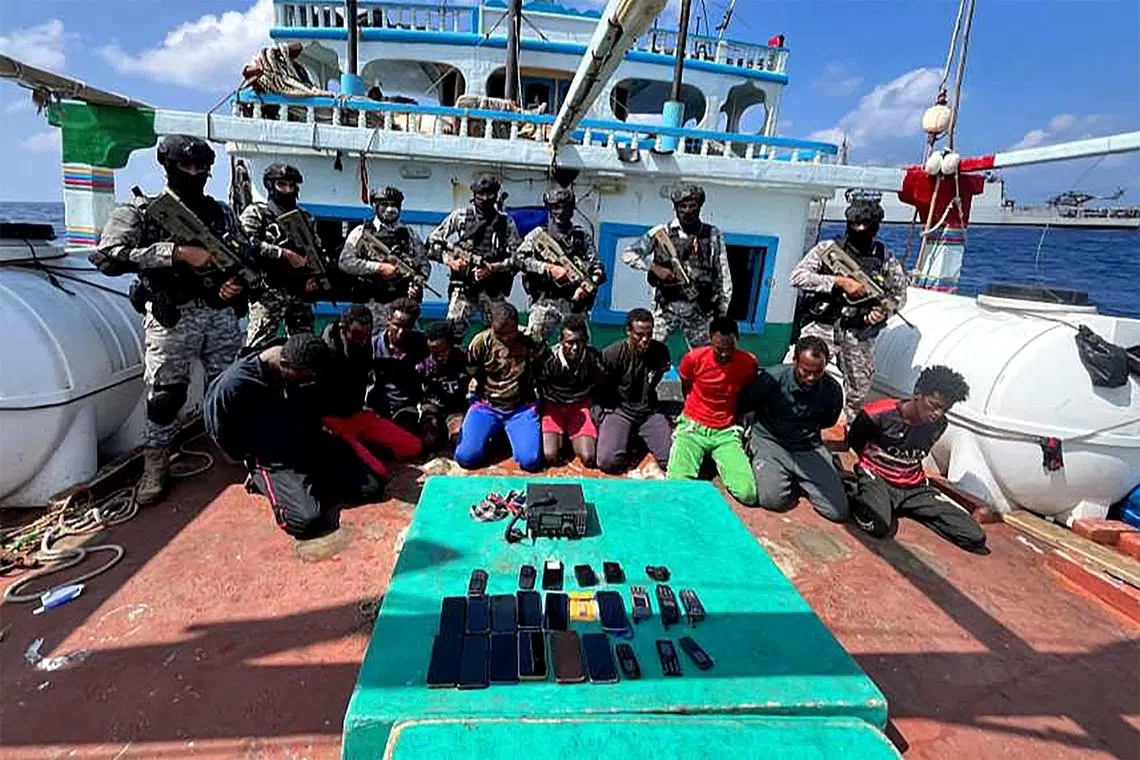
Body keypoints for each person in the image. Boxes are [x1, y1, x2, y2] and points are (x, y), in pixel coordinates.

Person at [93, 134, 250, 506]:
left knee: (227, 386)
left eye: (202, 168)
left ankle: (232, 447)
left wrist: (233, 285)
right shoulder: (142, 210)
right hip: (173, 316)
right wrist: (175, 254)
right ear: (168, 166)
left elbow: (243, 254)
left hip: (219, 313)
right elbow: (107, 257)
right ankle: (156, 463)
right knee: (166, 395)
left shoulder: (221, 213)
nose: (195, 173)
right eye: (187, 166)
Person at [204, 334, 383, 539]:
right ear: (285, 365)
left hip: (313, 442)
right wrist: (249, 456)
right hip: (276, 459)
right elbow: (220, 431)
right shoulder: (235, 385)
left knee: (372, 489)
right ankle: (265, 479)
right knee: (307, 522)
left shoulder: (304, 359)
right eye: (306, 378)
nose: (311, 381)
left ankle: (303, 486)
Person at [847, 365, 989, 554]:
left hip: (913, 487)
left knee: (974, 537)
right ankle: (856, 491)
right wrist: (871, 469)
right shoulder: (877, 414)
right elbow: (856, 441)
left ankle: (903, 507)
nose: (937, 414)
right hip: (877, 477)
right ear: (917, 394)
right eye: (934, 405)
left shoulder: (939, 425)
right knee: (877, 526)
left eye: (944, 409)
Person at [791, 194, 908, 421]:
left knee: (858, 390)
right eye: (855, 225)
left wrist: (881, 313)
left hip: (858, 332)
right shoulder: (829, 249)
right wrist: (838, 282)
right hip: (823, 325)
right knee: (800, 374)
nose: (860, 230)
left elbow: (898, 296)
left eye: (866, 226)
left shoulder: (884, 258)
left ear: (875, 227)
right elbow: (798, 276)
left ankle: (845, 431)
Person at [740, 336, 847, 520]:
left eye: (818, 372)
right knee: (772, 500)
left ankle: (815, 471)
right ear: (795, 361)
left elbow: (828, 421)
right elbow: (745, 404)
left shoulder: (832, 390)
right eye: (805, 371)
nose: (811, 377)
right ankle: (776, 469)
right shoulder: (772, 378)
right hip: (771, 441)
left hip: (807, 446)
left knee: (837, 512)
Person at [620, 184, 732, 349]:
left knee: (704, 358)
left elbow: (723, 275)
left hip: (699, 310)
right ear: (675, 208)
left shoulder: (712, 234)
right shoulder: (661, 232)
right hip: (666, 308)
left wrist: (721, 314)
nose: (687, 210)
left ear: (700, 207)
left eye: (692, 206)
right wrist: (654, 268)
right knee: (647, 350)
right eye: (682, 206)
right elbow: (628, 254)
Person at [320, 304, 423, 478]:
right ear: (344, 329)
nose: (363, 339)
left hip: (357, 414)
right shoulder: (324, 352)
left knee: (414, 447)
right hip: (333, 422)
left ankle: (364, 445)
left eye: (367, 334)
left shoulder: (367, 343)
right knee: (380, 472)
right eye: (359, 335)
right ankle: (353, 449)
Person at [667, 317, 758, 505]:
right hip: (693, 427)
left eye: (729, 349)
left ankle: (715, 460)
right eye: (719, 349)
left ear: (737, 339)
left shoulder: (748, 362)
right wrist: (694, 410)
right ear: (710, 340)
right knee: (676, 490)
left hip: (726, 431)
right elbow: (686, 385)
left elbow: (748, 391)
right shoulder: (693, 359)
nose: (724, 354)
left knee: (748, 494)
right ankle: (702, 458)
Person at [455, 301, 544, 471]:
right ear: (491, 326)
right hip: (487, 405)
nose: (507, 338)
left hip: (520, 408)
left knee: (530, 461)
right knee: (465, 458)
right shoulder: (481, 342)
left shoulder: (530, 339)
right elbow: (472, 369)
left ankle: (510, 435)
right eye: (500, 334)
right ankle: (489, 438)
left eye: (511, 332)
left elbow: (544, 366)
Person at [427, 175, 520, 337]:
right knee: (452, 332)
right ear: (474, 195)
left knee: (504, 331)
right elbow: (432, 242)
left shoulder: (506, 223)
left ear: (496, 195)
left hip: (493, 289)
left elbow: (518, 258)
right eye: (480, 195)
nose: (485, 199)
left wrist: (492, 269)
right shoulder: (460, 216)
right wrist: (451, 261)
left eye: (489, 195)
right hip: (465, 288)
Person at [240, 163, 321, 349]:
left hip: (298, 293)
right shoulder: (256, 213)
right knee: (258, 349)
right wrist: (282, 253)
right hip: (268, 292)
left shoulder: (305, 219)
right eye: (282, 185)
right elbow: (244, 244)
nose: (288, 190)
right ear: (270, 186)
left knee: (304, 347)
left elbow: (315, 251)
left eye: (292, 186)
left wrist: (314, 277)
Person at [515, 188, 605, 342]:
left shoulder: (581, 237)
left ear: (572, 209)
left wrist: (585, 287)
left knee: (582, 348)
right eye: (556, 207)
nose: (560, 212)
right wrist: (549, 269)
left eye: (565, 207)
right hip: (545, 302)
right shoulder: (538, 235)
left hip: (574, 306)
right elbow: (518, 259)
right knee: (533, 344)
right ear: (549, 209)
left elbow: (598, 269)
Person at [339, 186, 431, 335]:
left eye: (394, 205)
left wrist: (416, 285)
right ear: (376, 206)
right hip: (370, 305)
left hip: (400, 309)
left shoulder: (409, 235)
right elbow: (345, 262)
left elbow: (423, 265)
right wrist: (378, 267)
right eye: (385, 204)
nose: (390, 209)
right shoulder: (361, 232)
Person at [595, 308, 673, 475]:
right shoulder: (612, 354)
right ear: (628, 331)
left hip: (649, 412)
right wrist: (603, 415)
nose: (645, 340)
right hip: (620, 411)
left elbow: (656, 378)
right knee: (607, 462)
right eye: (639, 335)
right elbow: (598, 389)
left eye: (649, 334)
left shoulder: (661, 352)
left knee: (672, 460)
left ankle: (636, 436)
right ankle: (626, 435)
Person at [537, 314, 605, 467]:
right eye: (570, 342)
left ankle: (572, 438)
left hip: (580, 406)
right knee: (550, 456)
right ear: (561, 341)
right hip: (554, 407)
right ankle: (563, 438)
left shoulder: (593, 358)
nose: (575, 347)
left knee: (588, 458)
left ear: (586, 341)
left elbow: (600, 385)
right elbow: (539, 387)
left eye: (580, 342)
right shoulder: (548, 359)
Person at [368, 297, 430, 434]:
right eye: (397, 325)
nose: (401, 332)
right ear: (388, 320)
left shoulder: (421, 345)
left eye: (406, 327)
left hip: (408, 409)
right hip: (378, 407)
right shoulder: (372, 346)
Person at [416, 320, 471, 454]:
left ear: (451, 345)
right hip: (432, 408)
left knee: (458, 438)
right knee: (429, 438)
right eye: (433, 351)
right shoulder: (424, 365)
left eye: (442, 351)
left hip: (456, 409)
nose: (438, 356)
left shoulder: (464, 358)